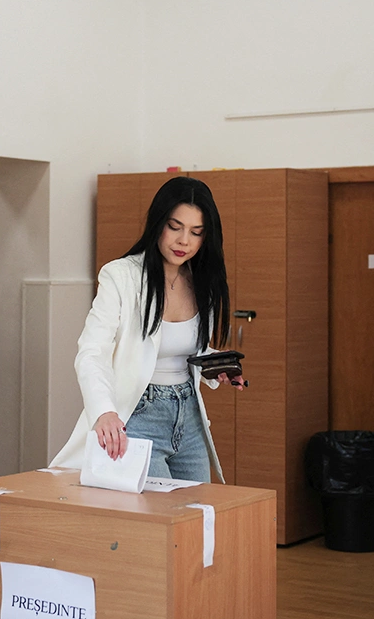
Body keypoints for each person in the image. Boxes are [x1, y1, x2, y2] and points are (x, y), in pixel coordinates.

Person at [49, 176, 242, 482]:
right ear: (158, 223)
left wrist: (216, 364)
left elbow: (182, 350)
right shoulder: (121, 276)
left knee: (193, 518)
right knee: (153, 519)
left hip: (188, 416)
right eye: (175, 227)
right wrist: (103, 411)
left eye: (196, 232)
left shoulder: (200, 281)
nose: (184, 241)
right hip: (138, 415)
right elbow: (92, 351)